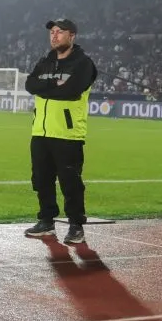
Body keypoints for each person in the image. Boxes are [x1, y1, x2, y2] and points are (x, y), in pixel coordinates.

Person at [23, 18, 98, 245]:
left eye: (60, 32)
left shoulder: (83, 64)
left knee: (70, 183)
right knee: (41, 180)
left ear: (72, 36)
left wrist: (45, 88)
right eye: (52, 32)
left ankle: (76, 225)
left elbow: (72, 91)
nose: (54, 36)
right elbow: (29, 85)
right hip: (41, 132)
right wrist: (53, 86)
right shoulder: (45, 61)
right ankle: (46, 221)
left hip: (68, 134)